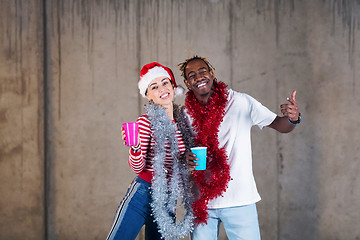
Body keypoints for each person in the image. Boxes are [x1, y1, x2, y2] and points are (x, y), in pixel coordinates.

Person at [178, 56, 301, 240]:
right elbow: (178, 152)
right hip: (201, 201)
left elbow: (279, 124)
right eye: (192, 75)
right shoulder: (184, 113)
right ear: (187, 83)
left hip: (239, 199)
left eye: (203, 71)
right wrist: (185, 157)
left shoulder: (240, 102)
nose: (198, 77)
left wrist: (293, 118)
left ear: (212, 74)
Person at [106, 62, 194, 240]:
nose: (162, 89)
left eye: (165, 83)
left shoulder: (184, 123)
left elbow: (183, 165)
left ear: (172, 86)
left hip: (167, 199)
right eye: (154, 87)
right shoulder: (145, 123)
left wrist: (190, 160)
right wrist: (136, 147)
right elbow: (137, 168)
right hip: (142, 194)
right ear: (148, 95)